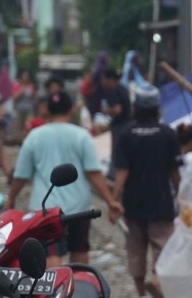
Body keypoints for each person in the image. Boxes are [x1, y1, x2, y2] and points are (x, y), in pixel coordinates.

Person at [7, 90, 121, 267]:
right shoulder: (82, 136)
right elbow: (94, 173)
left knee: (51, 253)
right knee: (79, 251)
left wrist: (11, 199)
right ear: (71, 110)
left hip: (45, 208)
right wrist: (110, 201)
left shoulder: (35, 136)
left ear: (48, 111)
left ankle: (54, 294)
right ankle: (80, 290)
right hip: (78, 208)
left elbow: (21, 176)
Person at [111, 86, 181, 298]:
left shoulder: (126, 134)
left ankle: (142, 297)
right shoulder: (167, 133)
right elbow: (174, 172)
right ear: (156, 108)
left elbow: (122, 172)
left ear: (136, 108)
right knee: (162, 246)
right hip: (161, 201)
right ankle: (158, 280)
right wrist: (182, 195)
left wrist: (114, 200)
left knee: (136, 250)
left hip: (134, 203)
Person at [12, 69, 37, 141]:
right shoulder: (17, 85)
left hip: (29, 109)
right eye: (24, 75)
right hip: (19, 109)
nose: (25, 77)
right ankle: (19, 139)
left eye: (27, 76)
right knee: (19, 125)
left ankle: (28, 138)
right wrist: (21, 92)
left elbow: (35, 98)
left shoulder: (32, 86)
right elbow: (14, 98)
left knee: (28, 124)